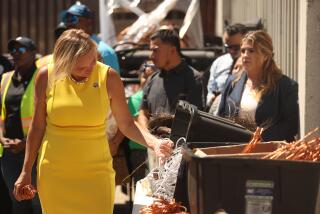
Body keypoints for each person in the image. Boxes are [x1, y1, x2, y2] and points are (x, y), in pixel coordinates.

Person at [12, 29, 173, 213]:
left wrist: (155, 143)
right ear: (64, 62)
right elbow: (37, 127)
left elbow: (127, 123)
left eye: (92, 61)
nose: (90, 69)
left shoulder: (109, 77)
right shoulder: (45, 76)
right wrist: (26, 171)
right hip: (54, 173)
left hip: (96, 173)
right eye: (81, 67)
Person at [138, 29, 204, 169]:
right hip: (153, 151)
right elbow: (142, 112)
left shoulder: (193, 79)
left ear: (173, 50)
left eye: (156, 50)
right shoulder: (152, 79)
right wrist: (150, 138)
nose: (152, 56)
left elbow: (194, 119)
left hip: (178, 154)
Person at [218, 30, 299, 141]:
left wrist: (259, 138)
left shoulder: (286, 86)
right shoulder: (232, 81)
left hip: (268, 153)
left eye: (251, 51)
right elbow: (220, 118)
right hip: (234, 149)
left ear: (265, 55)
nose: (245, 55)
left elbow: (291, 126)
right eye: (243, 51)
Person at [0, 37, 42, 213]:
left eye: (21, 50)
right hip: (9, 152)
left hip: (34, 151)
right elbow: (1, 113)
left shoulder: (43, 77)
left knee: (37, 202)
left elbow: (46, 116)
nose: (15, 54)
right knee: (17, 200)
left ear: (33, 54)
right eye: (13, 50)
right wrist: (2, 138)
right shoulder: (5, 78)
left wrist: (25, 143)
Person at [62, 2, 120, 73]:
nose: (69, 23)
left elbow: (112, 81)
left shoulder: (104, 51)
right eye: (67, 19)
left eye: (74, 19)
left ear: (89, 21)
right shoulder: (67, 49)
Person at [206, 23, 248, 109]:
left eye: (236, 47)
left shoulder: (252, 64)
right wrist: (211, 98)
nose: (232, 51)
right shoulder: (218, 63)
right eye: (228, 47)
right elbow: (210, 89)